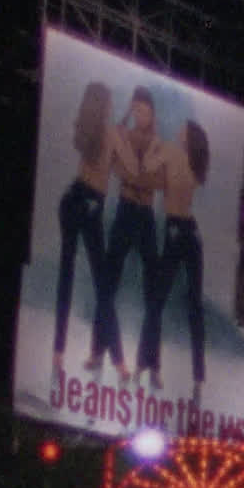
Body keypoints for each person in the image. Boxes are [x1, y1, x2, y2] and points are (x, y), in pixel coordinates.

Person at [136, 119, 211, 393]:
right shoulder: (194, 162)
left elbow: (148, 167)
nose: (178, 130)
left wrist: (154, 145)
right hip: (188, 231)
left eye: (183, 129)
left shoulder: (172, 151)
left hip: (178, 230)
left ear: (187, 136)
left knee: (160, 302)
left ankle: (149, 365)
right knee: (191, 306)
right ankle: (195, 376)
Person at [53, 81, 121, 377]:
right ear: (104, 104)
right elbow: (123, 166)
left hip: (73, 198)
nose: (113, 105)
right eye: (110, 101)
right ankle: (117, 359)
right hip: (90, 204)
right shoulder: (109, 133)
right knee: (101, 285)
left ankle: (58, 353)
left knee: (67, 276)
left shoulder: (90, 129)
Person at [98, 88, 164, 381]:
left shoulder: (158, 143)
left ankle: (149, 363)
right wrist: (136, 173)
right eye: (136, 110)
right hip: (126, 209)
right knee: (107, 285)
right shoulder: (122, 134)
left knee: (153, 294)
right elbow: (118, 169)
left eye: (144, 111)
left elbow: (156, 180)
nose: (140, 115)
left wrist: (135, 173)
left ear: (152, 113)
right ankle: (109, 354)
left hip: (144, 214)